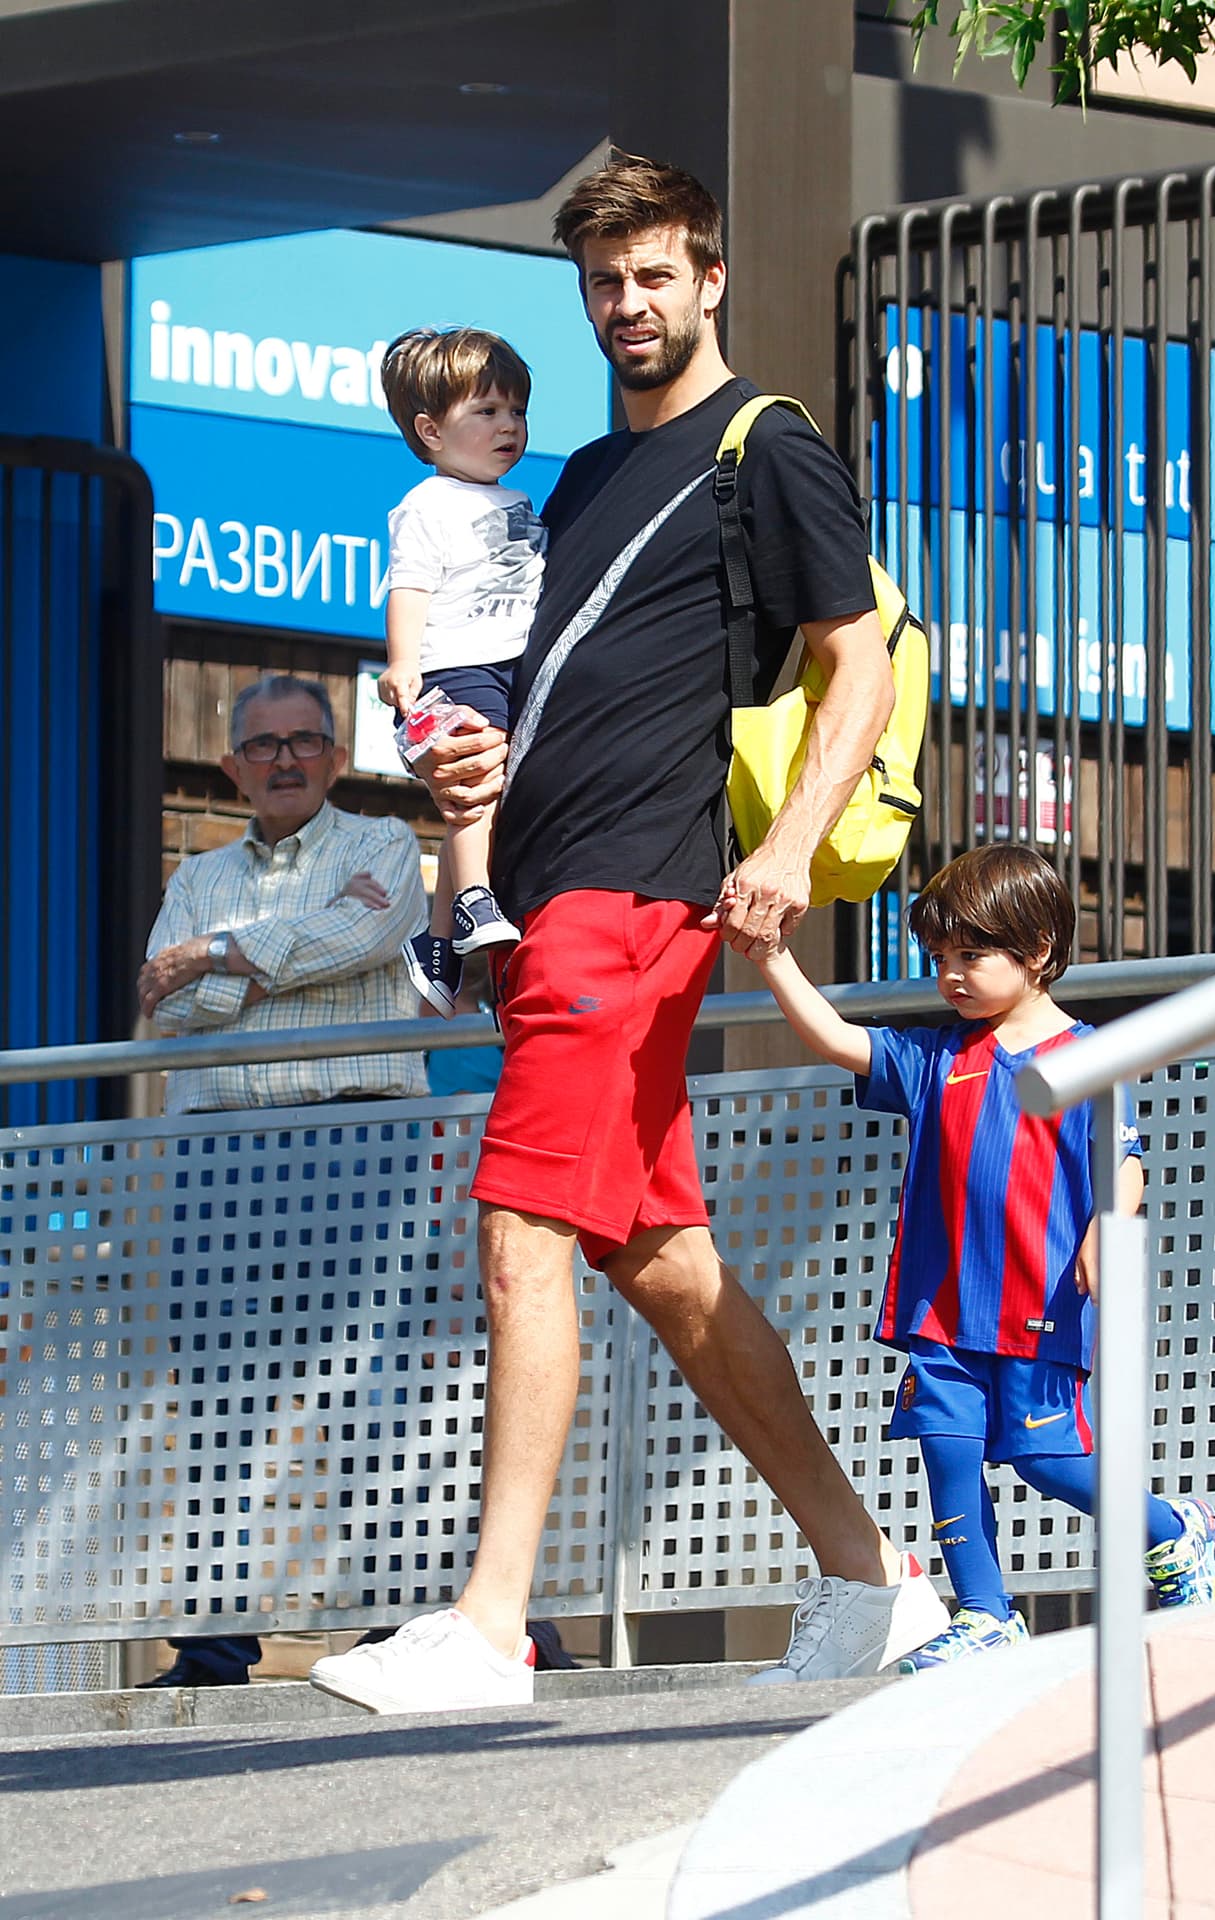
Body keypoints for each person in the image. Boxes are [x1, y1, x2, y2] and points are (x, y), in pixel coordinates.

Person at [309, 150, 950, 1719]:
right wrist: (464, 764)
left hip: (637, 891)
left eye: (656, 275)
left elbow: (853, 667)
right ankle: (879, 1582)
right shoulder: (582, 479)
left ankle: (490, 1626)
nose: (629, 306)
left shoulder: (769, 446)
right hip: (548, 890)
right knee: (664, 1260)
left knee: (521, 1222)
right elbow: (525, 686)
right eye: (605, 283)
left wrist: (788, 852)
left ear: (710, 276)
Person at [749, 843, 1215, 1673]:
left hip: (1038, 1310)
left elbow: (1127, 1160)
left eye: (972, 954)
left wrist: (1104, 1232)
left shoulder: (1085, 1058)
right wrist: (772, 956)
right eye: (941, 958)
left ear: (1038, 949)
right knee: (948, 1451)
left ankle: (1172, 1531)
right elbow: (834, 1037)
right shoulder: (936, 1057)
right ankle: (986, 1614)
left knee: (1052, 1462)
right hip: (940, 1314)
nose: (952, 975)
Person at [136, 673, 430, 1686]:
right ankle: (216, 1645)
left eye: (305, 741)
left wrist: (222, 957)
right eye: (264, 747)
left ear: (337, 757)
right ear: (232, 767)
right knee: (220, 1399)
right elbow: (160, 1010)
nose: (286, 760)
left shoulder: (383, 846)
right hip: (220, 1148)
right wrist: (289, 962)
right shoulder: (195, 875)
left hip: (359, 1141)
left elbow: (371, 932)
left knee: (372, 1387)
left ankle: (394, 1627)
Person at [377, 326, 547, 1018]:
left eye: (516, 411)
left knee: (480, 795)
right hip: (454, 665)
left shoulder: (517, 501)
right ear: (431, 430)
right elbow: (408, 585)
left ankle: (438, 941)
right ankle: (474, 899)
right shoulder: (429, 502)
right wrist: (402, 664)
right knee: (478, 782)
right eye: (487, 412)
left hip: (509, 664)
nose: (508, 425)